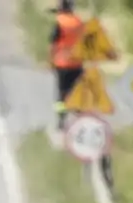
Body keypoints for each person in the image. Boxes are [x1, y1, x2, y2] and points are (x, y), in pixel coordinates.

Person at [47, 0, 85, 130]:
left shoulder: (60, 22)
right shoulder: (79, 22)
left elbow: (53, 43)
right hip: (77, 64)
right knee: (77, 92)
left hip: (62, 64)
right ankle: (80, 120)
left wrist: (50, 61)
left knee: (62, 94)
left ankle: (61, 121)